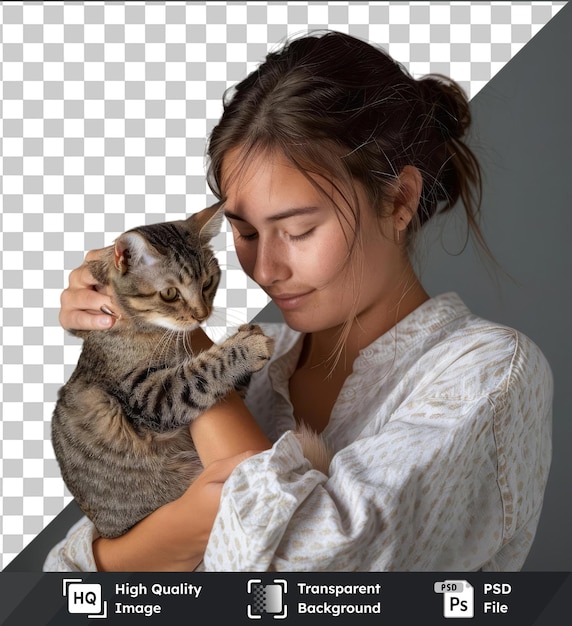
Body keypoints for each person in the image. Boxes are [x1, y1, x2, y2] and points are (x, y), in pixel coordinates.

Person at [45, 31, 552, 572]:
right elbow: (64, 580)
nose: (266, 271)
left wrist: (175, 337)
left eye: (300, 230)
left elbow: (296, 576)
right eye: (245, 233)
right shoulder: (264, 362)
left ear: (399, 200)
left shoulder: (486, 376)